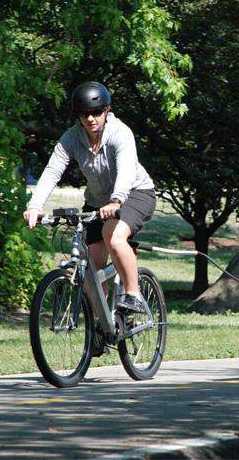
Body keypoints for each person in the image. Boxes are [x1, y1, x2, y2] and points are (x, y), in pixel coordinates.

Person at [23, 81, 156, 312]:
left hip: (135, 194)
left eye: (96, 112)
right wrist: (35, 206)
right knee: (89, 268)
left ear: (106, 110)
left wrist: (116, 200)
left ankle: (134, 294)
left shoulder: (120, 133)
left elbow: (125, 170)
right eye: (84, 114)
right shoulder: (72, 137)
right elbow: (53, 170)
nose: (90, 118)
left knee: (113, 236)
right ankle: (100, 329)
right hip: (97, 202)